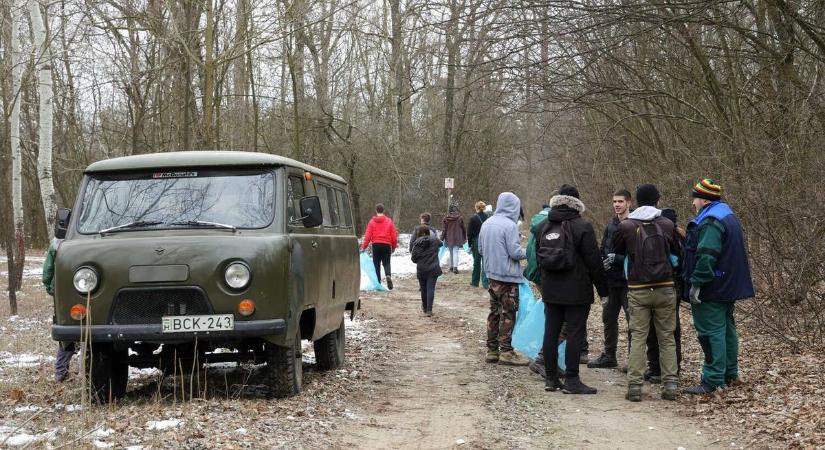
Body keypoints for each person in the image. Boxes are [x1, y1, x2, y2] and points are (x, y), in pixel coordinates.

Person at [682, 179, 754, 395]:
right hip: (727, 286)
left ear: (704, 199)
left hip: (712, 288)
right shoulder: (727, 215)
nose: (693, 202)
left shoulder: (711, 221)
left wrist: (696, 283)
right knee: (726, 330)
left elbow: (707, 255)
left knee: (709, 333)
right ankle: (729, 373)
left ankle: (712, 380)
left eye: (695, 197)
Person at [537, 184, 608, 394]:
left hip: (550, 290)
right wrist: (603, 291)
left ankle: (550, 379)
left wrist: (544, 285)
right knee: (575, 334)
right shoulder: (582, 226)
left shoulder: (543, 226)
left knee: (550, 331)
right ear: (577, 203)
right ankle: (572, 380)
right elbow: (594, 261)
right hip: (577, 290)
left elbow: (539, 260)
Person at [613, 184, 682, 402]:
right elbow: (677, 253)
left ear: (636, 201)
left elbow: (618, 251)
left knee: (638, 336)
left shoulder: (626, 225)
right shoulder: (667, 224)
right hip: (665, 287)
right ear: (657, 201)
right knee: (667, 337)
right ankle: (670, 383)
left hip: (638, 288)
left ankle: (634, 386)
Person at [478, 192, 530, 366]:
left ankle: (492, 350)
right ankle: (506, 351)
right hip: (507, 277)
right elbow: (515, 253)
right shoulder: (510, 226)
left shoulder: (486, 223)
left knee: (494, 312)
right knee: (508, 313)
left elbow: (479, 249)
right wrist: (530, 252)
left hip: (491, 275)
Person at [589, 189, 632, 369]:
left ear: (629, 203)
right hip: (611, 281)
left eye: (620, 201)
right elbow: (603, 248)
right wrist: (601, 261)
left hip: (629, 283)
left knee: (634, 322)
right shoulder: (611, 224)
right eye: (614, 201)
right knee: (608, 318)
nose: (616, 205)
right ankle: (609, 355)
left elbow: (638, 255)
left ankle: (633, 360)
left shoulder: (634, 224)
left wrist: (619, 259)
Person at [644, 207, 685, 383]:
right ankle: (672, 369)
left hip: (663, 286)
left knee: (657, 329)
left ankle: (657, 368)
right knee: (671, 329)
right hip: (674, 286)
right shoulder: (681, 236)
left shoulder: (663, 236)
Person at [42, 237, 76, 382]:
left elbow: (47, 273)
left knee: (67, 331)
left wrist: (53, 289)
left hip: (64, 292)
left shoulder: (57, 244)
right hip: (91, 290)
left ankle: (61, 372)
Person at [361, 203, 398, 290]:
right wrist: (394, 246)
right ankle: (388, 275)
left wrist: (364, 246)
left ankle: (378, 283)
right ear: (383, 210)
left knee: (376, 264)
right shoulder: (389, 221)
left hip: (376, 245)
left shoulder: (372, 222)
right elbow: (394, 235)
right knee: (386, 263)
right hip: (386, 245)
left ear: (376, 210)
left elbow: (368, 235)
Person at [411, 225, 443, 316]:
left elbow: (413, 259)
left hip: (422, 269)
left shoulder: (416, 244)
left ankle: (424, 308)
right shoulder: (435, 241)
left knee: (423, 289)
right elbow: (441, 244)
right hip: (433, 268)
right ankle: (429, 310)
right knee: (430, 288)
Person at [467, 201, 489, 288]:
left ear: (476, 207)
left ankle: (475, 282)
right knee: (485, 262)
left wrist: (469, 244)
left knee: (476, 262)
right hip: (486, 241)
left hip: (476, 240)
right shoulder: (487, 217)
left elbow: (469, 233)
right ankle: (485, 283)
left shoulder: (473, 218)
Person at [441, 204, 467, 274]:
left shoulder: (446, 219)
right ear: (456, 210)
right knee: (455, 252)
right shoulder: (460, 218)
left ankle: (451, 267)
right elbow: (463, 228)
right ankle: (455, 267)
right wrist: (465, 236)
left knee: (451, 252)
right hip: (457, 237)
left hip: (449, 237)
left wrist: (441, 238)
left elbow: (444, 230)